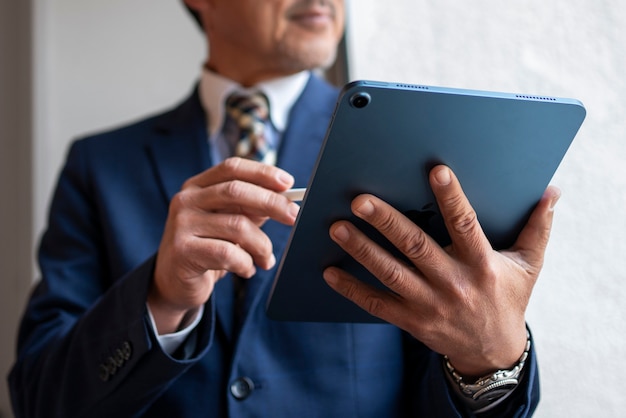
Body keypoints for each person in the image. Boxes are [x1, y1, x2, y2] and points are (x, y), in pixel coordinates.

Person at [8, 0, 558, 416]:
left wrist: (491, 363)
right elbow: (39, 399)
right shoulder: (99, 165)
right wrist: (161, 298)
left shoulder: (421, 147)